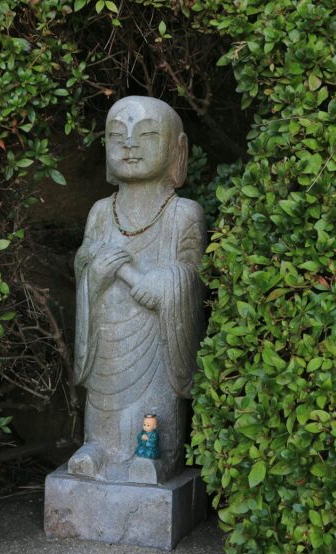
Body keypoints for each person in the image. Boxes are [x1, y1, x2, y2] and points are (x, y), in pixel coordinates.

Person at [67, 96, 205, 484]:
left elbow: (192, 274)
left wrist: (166, 281)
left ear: (177, 149)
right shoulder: (100, 212)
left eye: (145, 135)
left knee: (155, 399)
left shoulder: (183, 214)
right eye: (117, 136)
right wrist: (94, 276)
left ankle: (157, 452)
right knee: (104, 389)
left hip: (158, 335)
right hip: (106, 330)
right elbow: (84, 262)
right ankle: (98, 445)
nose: (129, 145)